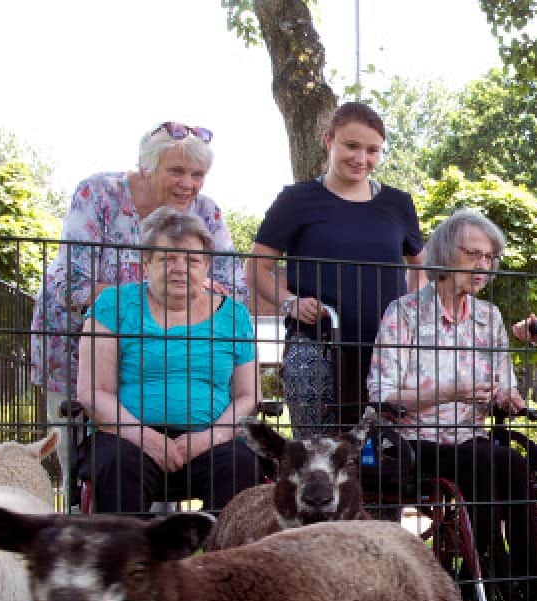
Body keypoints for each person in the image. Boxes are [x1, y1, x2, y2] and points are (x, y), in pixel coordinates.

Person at [369, 209, 537, 601]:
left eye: (490, 258)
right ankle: (487, 586)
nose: (484, 266)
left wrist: (507, 398)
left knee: (515, 463)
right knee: (484, 462)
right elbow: (381, 395)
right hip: (413, 441)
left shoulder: (490, 319)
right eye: (474, 255)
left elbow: (502, 384)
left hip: (470, 437)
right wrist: (446, 392)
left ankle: (531, 587)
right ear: (446, 256)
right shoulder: (405, 313)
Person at [30, 122, 245, 454]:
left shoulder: (206, 213)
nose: (188, 184)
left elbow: (233, 290)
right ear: (147, 166)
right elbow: (71, 282)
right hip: (78, 343)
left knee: (158, 447)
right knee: (82, 454)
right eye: (177, 171)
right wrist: (158, 296)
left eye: (198, 174)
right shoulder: (98, 194)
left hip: (165, 354)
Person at [76, 208, 263, 514]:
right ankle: (130, 560)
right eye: (167, 258)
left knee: (240, 464)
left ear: (206, 267)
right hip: (127, 434)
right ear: (146, 264)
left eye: (192, 260)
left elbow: (249, 395)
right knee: (116, 465)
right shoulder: (113, 305)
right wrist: (143, 436)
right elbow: (93, 391)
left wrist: (211, 436)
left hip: (211, 436)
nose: (180, 268)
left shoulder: (235, 315)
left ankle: (222, 560)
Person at [251, 102, 424, 430]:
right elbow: (257, 267)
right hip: (317, 344)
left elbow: (421, 266)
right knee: (319, 455)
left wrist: (408, 311)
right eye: (352, 146)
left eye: (373, 150)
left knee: (388, 454)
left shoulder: (398, 204)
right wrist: (290, 302)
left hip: (385, 350)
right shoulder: (296, 199)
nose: (362, 159)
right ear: (328, 140)